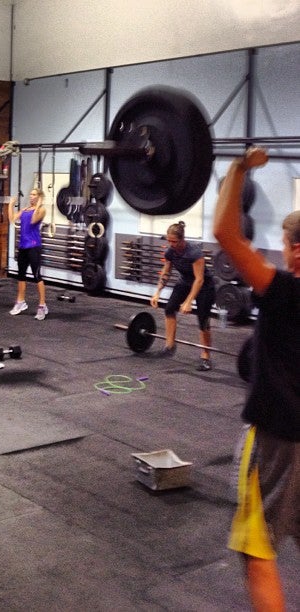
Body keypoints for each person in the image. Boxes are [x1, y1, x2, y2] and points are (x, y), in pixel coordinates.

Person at [214, 147, 299, 612]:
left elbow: (225, 232)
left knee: (257, 549)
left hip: (278, 436)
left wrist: (239, 168)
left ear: (295, 249)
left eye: (284, 244)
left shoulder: (283, 290)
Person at [150, 220, 216, 370]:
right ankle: (169, 346)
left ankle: (205, 357)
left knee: (203, 320)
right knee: (169, 309)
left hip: (205, 287)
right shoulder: (170, 252)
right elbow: (166, 273)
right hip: (185, 282)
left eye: (174, 241)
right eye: (169, 241)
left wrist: (188, 301)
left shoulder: (194, 253)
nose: (171, 244)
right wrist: (157, 293)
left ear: (182, 239)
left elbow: (199, 279)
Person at [8, 188, 48, 320]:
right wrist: (10, 205)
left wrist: (39, 204)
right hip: (23, 246)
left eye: (34, 194)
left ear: (39, 197)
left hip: (34, 246)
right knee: (21, 276)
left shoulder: (41, 210)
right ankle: (20, 302)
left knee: (37, 276)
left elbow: (33, 220)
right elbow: (12, 219)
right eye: (30, 194)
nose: (31, 196)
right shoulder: (25, 210)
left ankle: (42, 305)